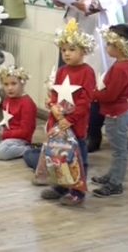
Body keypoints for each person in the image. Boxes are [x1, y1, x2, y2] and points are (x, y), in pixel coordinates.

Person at [51, 0, 128, 153]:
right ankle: (65, 126)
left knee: (92, 79)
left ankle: (92, 132)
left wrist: (94, 3)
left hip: (95, 24)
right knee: (67, 75)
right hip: (73, 22)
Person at [39, 19, 96, 207]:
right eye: (63, 50)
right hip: (59, 123)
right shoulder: (62, 71)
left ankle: (77, 191)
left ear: (83, 50)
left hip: (75, 125)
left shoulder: (87, 72)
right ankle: (61, 186)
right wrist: (52, 105)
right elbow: (55, 93)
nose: (66, 53)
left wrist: (70, 119)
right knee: (59, 156)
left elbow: (85, 101)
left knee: (77, 157)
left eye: (72, 49)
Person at [91, 24, 128, 198]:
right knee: (116, 149)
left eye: (110, 44)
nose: (107, 47)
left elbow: (111, 95)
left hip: (117, 114)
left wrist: (92, 94)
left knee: (119, 151)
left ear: (120, 46)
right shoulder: (121, 64)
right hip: (114, 113)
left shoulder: (121, 68)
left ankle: (116, 183)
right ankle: (112, 175)